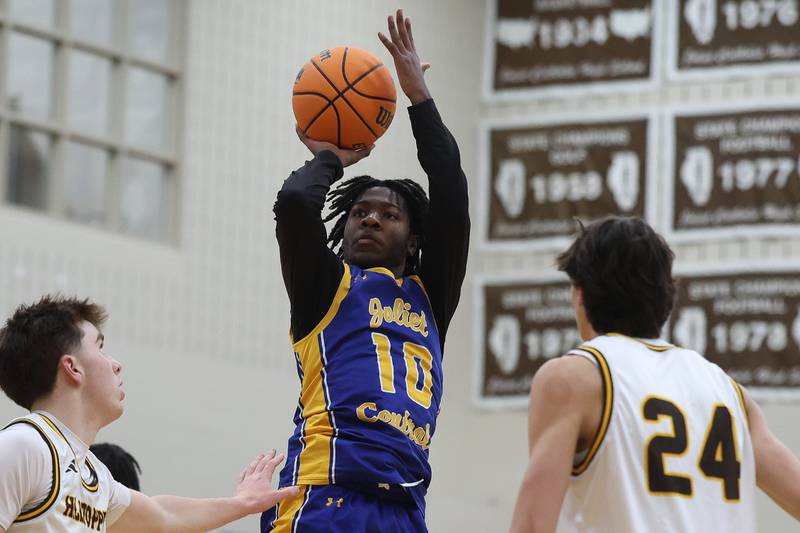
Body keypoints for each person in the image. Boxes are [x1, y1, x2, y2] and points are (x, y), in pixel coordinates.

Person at [264, 8, 469, 532]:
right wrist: (332, 156)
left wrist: (419, 98)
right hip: (323, 498)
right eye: (359, 212)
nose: (371, 218)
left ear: (415, 238)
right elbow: (293, 202)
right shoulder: (325, 289)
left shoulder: (431, 296)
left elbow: (450, 187)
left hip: (402, 508)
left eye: (389, 214)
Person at [509, 217, 800, 532]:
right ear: (665, 295)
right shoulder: (731, 392)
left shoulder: (574, 377)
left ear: (580, 294)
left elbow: (532, 525)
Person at [0, 295, 298, 533]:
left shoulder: (94, 475)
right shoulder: (24, 446)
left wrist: (242, 503)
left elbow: (164, 516)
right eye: (100, 348)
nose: (115, 364)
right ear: (72, 368)